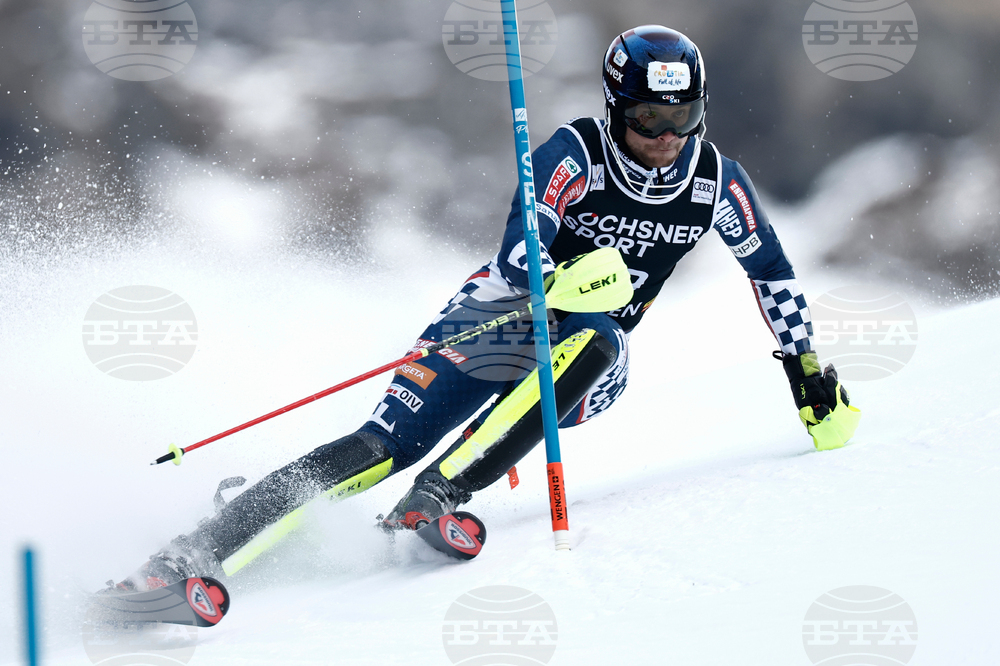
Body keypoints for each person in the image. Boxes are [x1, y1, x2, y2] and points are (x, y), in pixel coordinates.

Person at [116, 25, 860, 590]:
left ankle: (438, 495)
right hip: (500, 317)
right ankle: (192, 553)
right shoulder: (575, 153)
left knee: (599, 340)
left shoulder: (715, 181)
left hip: (587, 356)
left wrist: (805, 369)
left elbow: (772, 272)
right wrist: (560, 274)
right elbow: (517, 251)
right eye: (646, 120)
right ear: (614, 110)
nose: (665, 140)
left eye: (682, 117)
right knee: (381, 445)